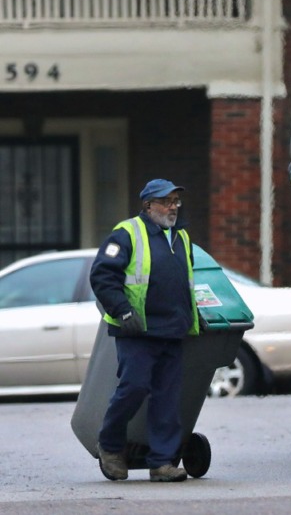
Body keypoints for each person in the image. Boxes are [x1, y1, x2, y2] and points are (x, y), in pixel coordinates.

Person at [90, 178, 200, 482]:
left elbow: (186, 282)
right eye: (166, 201)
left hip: (172, 329)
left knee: (167, 398)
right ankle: (110, 446)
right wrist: (123, 311)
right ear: (148, 205)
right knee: (134, 387)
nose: (172, 207)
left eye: (176, 201)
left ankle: (162, 462)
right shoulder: (126, 233)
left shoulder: (181, 237)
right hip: (136, 329)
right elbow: (102, 276)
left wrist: (192, 317)